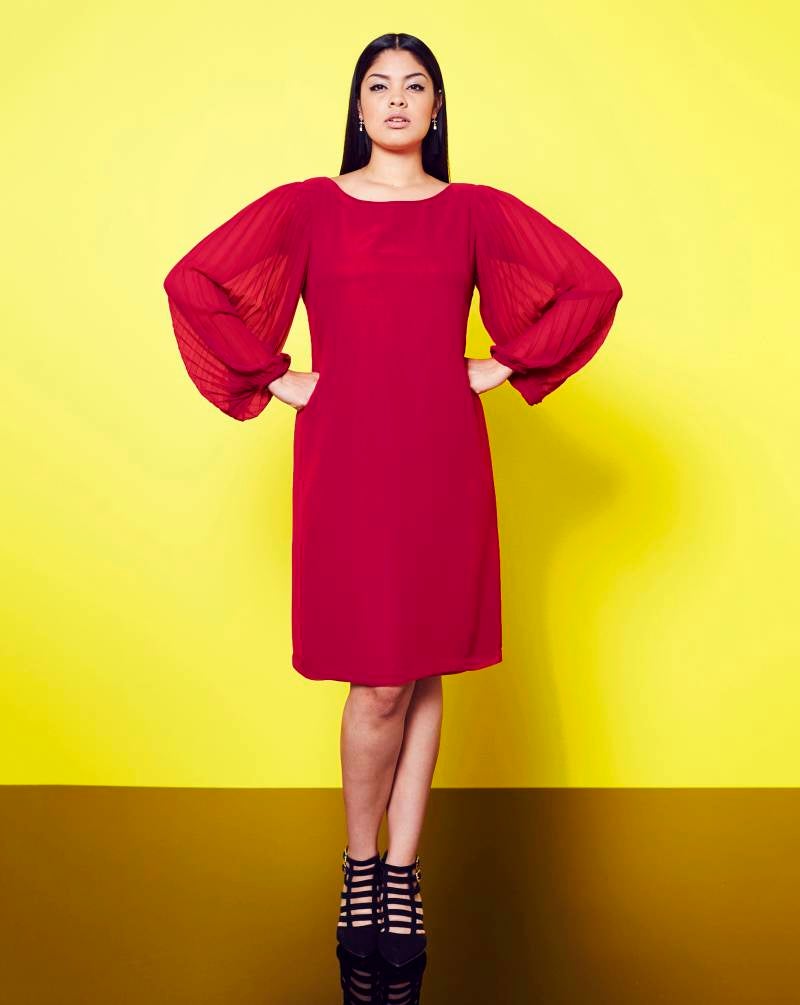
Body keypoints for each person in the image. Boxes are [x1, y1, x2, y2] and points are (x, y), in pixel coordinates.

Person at [162, 33, 623, 969]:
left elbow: (592, 287)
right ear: (358, 107)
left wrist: (503, 362)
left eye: (416, 85)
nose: (399, 99)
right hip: (349, 458)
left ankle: (400, 872)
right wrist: (275, 375)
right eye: (380, 86)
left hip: (442, 456)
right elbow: (193, 282)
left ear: (437, 107)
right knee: (376, 679)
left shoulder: (473, 211)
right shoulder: (310, 207)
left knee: (420, 667)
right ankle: (360, 860)